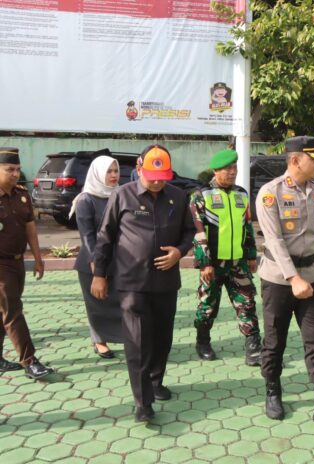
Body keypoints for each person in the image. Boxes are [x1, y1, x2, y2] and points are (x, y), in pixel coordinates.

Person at [92, 145, 195, 422]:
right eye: (152, 177)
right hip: (132, 282)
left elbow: (189, 231)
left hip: (165, 282)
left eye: (163, 177)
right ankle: (142, 402)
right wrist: (99, 274)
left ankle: (155, 381)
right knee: (137, 341)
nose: (158, 182)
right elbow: (105, 236)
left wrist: (179, 252)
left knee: (162, 338)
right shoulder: (122, 196)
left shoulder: (177, 196)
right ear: (139, 170)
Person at [256, 135, 314, 426]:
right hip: (279, 281)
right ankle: (273, 392)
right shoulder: (270, 193)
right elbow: (274, 241)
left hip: (312, 277)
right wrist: (294, 278)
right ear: (296, 160)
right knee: (274, 341)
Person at [189, 149, 262, 364]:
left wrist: (251, 255)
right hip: (213, 264)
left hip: (238, 262)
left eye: (234, 168)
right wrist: (204, 263)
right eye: (227, 169)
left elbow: (247, 226)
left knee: (247, 303)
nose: (232, 172)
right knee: (208, 305)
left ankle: (253, 347)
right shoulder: (201, 195)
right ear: (216, 170)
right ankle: (203, 341)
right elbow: (197, 231)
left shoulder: (241, 194)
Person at [0, 147, 53, 379]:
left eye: (17, 169)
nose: (15, 174)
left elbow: (30, 228)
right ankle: (30, 361)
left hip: (17, 262)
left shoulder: (22, 195)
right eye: (9, 169)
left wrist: (38, 259)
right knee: (13, 310)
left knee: (4, 310)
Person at [72, 155, 125, 359]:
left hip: (119, 261)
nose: (113, 175)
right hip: (93, 262)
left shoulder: (120, 194)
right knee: (97, 304)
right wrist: (96, 262)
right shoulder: (86, 199)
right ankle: (99, 341)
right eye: (108, 171)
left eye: (116, 170)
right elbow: (87, 235)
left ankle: (124, 337)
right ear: (97, 173)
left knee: (120, 303)